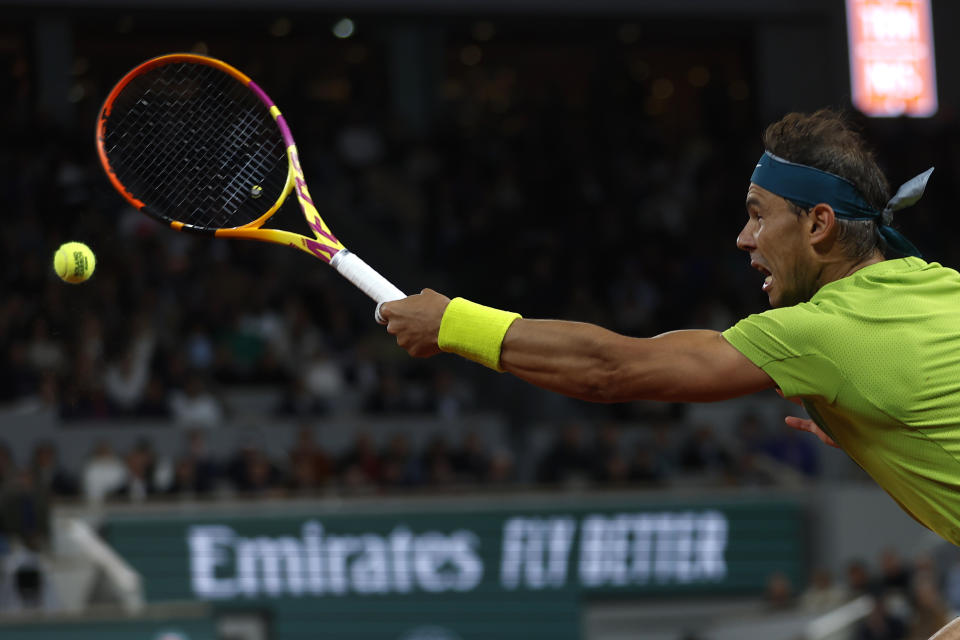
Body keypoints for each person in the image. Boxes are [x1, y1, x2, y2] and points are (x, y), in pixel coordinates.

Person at [382, 108, 960, 559]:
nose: (744, 237)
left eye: (759, 214)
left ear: (818, 224)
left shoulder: (825, 331)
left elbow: (614, 370)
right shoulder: (939, 287)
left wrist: (453, 323)